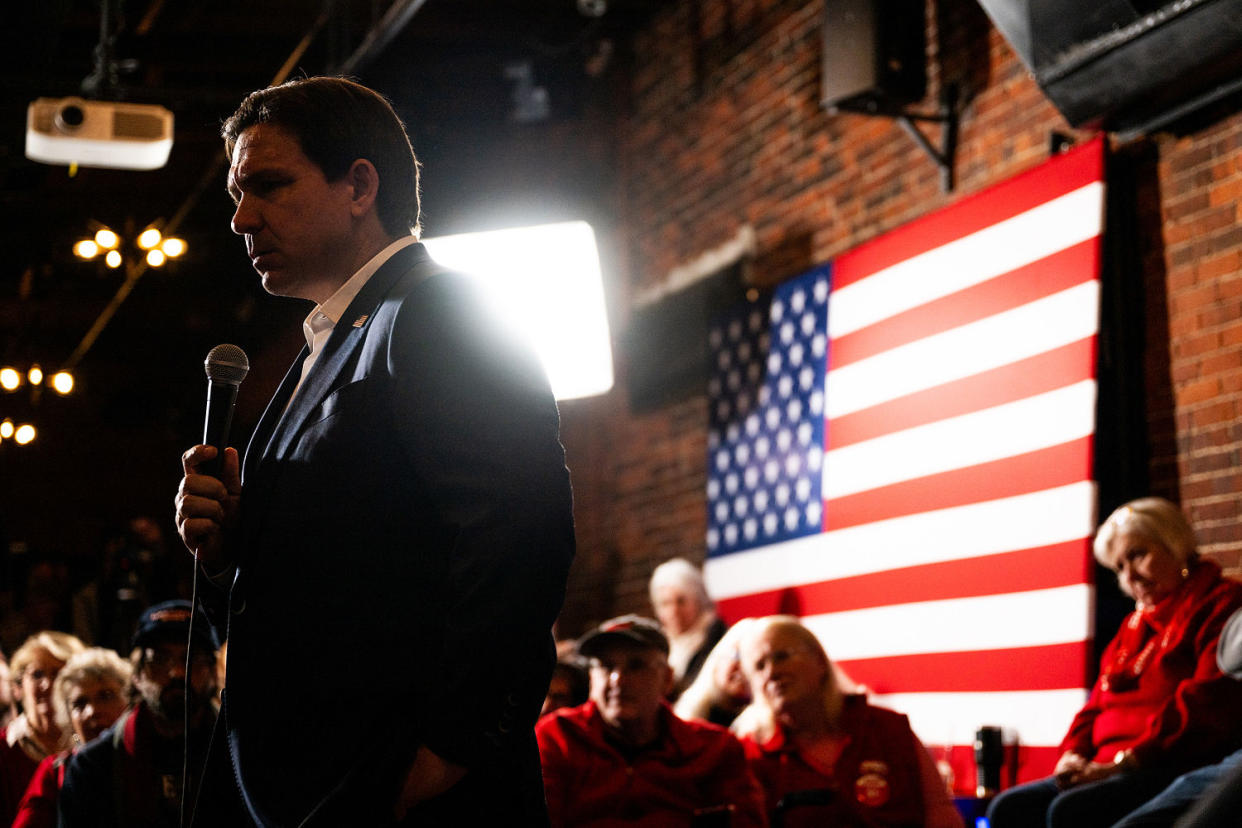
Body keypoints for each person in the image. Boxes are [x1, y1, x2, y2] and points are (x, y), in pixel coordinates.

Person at [173, 76, 576, 826]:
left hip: (404, 794)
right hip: (316, 788)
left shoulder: (436, 309)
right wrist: (233, 547)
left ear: (359, 185)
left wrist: (450, 751)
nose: (239, 219)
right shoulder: (335, 337)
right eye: (237, 192)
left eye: (268, 184)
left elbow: (522, 536)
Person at [986, 497, 1242, 828]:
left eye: (1138, 555)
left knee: (1070, 811)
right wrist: (1072, 755)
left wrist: (1126, 761)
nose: (1130, 576)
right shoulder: (1132, 627)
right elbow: (1096, 706)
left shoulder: (1221, 603)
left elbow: (1206, 704)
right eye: (1119, 567)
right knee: (1009, 808)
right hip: (1103, 765)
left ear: (1174, 545)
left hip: (1164, 761)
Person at [536, 615, 767, 827]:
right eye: (606, 666)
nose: (617, 680)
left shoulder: (715, 749)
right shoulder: (557, 738)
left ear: (667, 679)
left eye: (636, 665)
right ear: (591, 678)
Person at [736, 615, 960, 828]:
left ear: (819, 661)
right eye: (759, 666)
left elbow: (940, 813)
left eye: (781, 656)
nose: (771, 672)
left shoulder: (887, 729)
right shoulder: (750, 755)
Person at [57, 600, 225, 827]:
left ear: (213, 672)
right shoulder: (94, 767)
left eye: (191, 658)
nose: (176, 672)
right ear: (137, 673)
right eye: (159, 659)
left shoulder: (238, 756)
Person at [12, 647, 132, 828]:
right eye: (79, 704)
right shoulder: (55, 772)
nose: (92, 712)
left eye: (106, 696)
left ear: (130, 702)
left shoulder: (151, 758)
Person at [0, 631, 85, 825]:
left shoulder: (89, 746)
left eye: (59, 674)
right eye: (37, 674)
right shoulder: (3, 749)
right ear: (18, 688)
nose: (47, 685)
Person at [649, 557, 727, 697]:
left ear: (698, 600)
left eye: (681, 601)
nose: (674, 612)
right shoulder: (656, 646)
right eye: (665, 604)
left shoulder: (718, 639)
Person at [674, 618, 754, 728]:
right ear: (719, 657)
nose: (744, 667)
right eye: (738, 655)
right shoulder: (684, 716)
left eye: (754, 661)